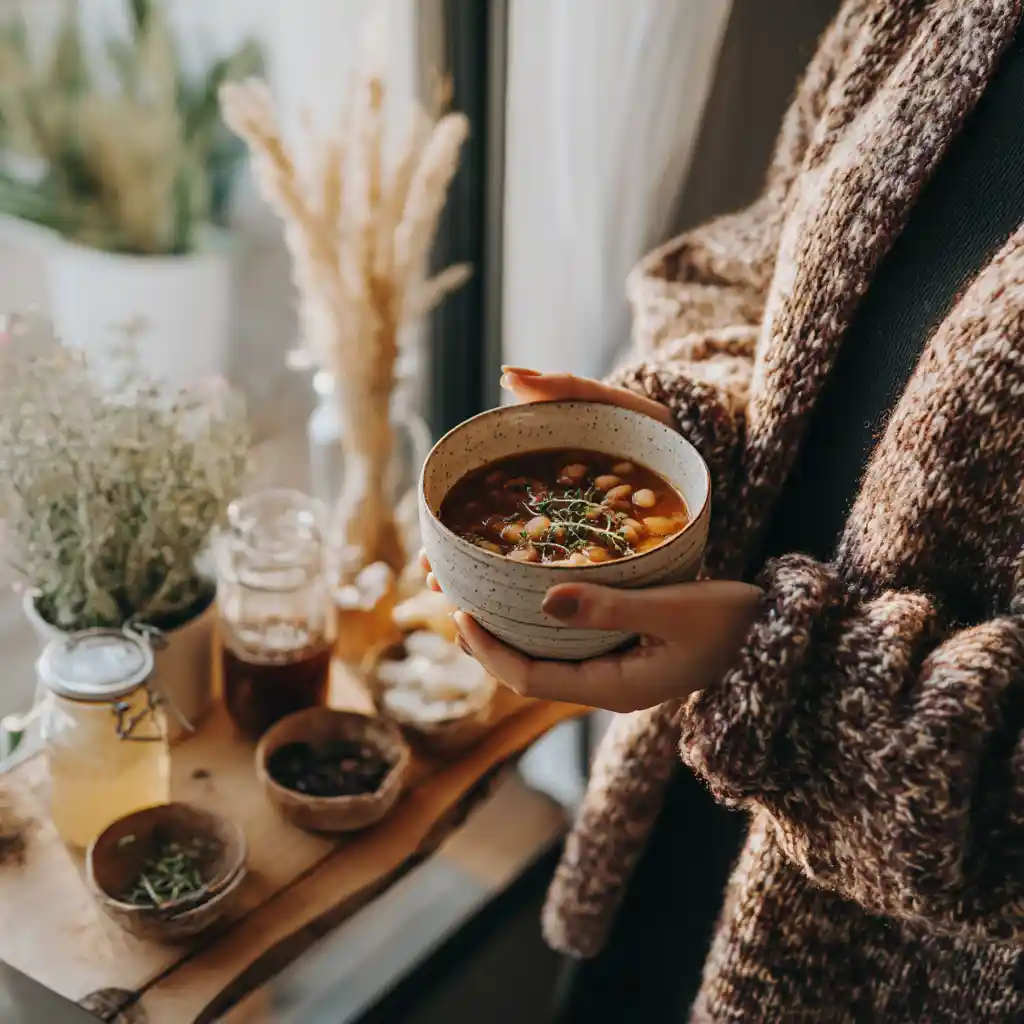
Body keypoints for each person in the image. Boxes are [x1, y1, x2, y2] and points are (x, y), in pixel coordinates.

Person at [425, 0, 1024, 1019]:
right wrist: (674, 438)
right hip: (683, 803)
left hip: (891, 963)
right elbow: (740, 279)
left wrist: (776, 673)